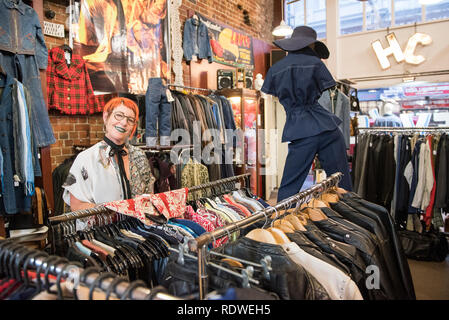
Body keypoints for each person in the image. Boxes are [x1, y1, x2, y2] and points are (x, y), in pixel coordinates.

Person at [261, 26, 352, 202]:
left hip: (300, 129)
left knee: (290, 185)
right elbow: (326, 87)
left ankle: (280, 221)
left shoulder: (275, 70)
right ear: (310, 45)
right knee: (341, 182)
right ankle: (351, 217)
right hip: (328, 128)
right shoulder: (316, 64)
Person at [62, 97, 156, 211]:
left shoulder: (139, 156)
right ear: (106, 117)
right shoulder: (86, 159)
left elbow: (149, 196)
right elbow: (77, 206)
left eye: (130, 120)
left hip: (137, 227)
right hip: (100, 228)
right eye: (119, 115)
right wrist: (113, 212)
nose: (124, 122)